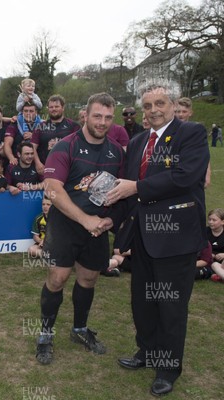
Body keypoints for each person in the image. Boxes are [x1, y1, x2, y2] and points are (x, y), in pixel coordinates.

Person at [106, 79, 209, 396]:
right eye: (147, 105)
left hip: (175, 237)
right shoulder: (137, 141)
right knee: (143, 302)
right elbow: (127, 189)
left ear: (173, 105)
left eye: (159, 104)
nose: (153, 110)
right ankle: (147, 351)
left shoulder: (191, 134)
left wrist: (135, 187)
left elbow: (185, 177)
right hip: (142, 237)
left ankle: (168, 367)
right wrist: (108, 215)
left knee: (171, 305)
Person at [35, 92, 124, 366]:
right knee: (57, 279)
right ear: (85, 115)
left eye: (108, 117)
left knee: (88, 279)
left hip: (97, 227)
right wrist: (84, 219)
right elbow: (53, 189)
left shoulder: (117, 151)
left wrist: (110, 220)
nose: (103, 122)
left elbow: (123, 189)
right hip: (65, 224)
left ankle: (80, 330)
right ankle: (45, 334)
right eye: (97, 116)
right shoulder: (65, 147)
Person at [31, 94, 81, 175]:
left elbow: (80, 147)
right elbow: (32, 147)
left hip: (68, 169)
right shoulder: (40, 127)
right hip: (45, 169)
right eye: (51, 107)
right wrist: (38, 163)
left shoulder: (73, 126)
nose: (53, 109)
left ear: (63, 107)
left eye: (56, 106)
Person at [207, 208, 224, 282]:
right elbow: (199, 247)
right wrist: (209, 254)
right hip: (211, 262)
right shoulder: (205, 232)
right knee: (214, 265)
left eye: (214, 220)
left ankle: (219, 276)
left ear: (222, 222)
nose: (211, 222)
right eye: (209, 219)